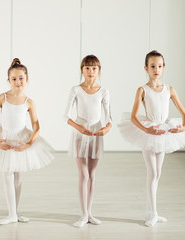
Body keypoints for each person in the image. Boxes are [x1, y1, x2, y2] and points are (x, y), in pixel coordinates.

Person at [0, 58, 54, 225]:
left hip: (21, 140)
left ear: (27, 79)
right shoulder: (2, 98)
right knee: (8, 174)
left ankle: (14, 212)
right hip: (5, 139)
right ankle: (11, 214)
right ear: (8, 80)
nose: (18, 82)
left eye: (21, 78)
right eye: (14, 79)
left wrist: (29, 143)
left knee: (18, 176)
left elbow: (36, 126)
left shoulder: (29, 102)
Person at [118, 50, 185, 227]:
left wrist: (183, 127)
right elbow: (133, 117)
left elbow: (183, 112)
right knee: (153, 172)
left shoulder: (169, 89)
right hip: (149, 132)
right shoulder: (142, 90)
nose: (157, 69)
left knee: (158, 173)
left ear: (164, 68)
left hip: (163, 132)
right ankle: (153, 213)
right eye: (153, 66)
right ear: (146, 68)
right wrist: (147, 131)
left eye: (160, 66)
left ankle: (152, 211)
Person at [64, 55, 112, 228]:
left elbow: (109, 119)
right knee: (83, 174)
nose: (91, 71)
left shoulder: (104, 91)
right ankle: (83, 214)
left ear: (99, 71)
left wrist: (105, 129)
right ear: (82, 70)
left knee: (92, 175)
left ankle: (90, 213)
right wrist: (79, 128)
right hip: (80, 134)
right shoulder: (75, 90)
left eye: (94, 68)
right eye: (87, 68)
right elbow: (66, 116)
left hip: (95, 134)